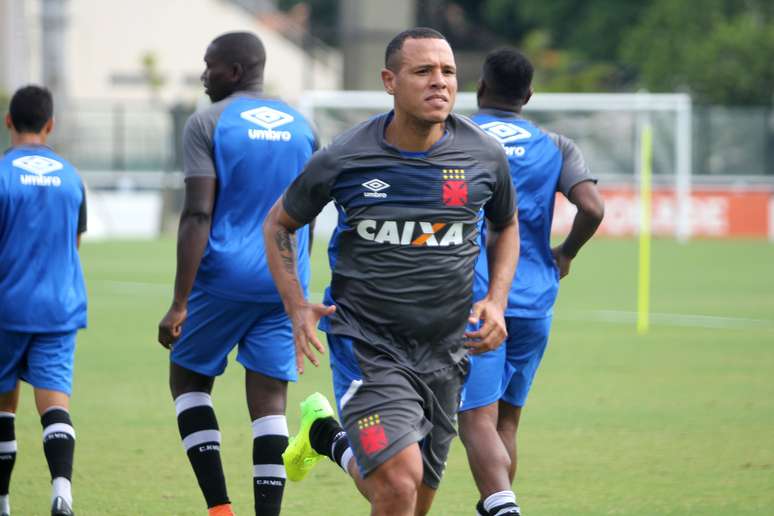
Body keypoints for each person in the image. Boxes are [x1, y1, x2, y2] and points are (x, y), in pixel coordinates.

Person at [263, 28, 520, 516]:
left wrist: (497, 300)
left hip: (445, 353)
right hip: (368, 347)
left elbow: (506, 226)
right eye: (423, 71)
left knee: (410, 494)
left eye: (447, 72)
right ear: (389, 80)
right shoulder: (346, 157)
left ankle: (326, 436)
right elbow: (280, 222)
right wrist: (296, 304)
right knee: (399, 484)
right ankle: (340, 435)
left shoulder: (483, 155)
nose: (439, 82)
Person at [156, 32, 317, 516]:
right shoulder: (303, 126)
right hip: (284, 283)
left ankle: (220, 509)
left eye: (208, 66)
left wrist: (180, 302)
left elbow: (198, 215)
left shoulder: (207, 122)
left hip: (223, 278)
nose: (203, 76)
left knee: (187, 382)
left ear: (232, 71)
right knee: (270, 403)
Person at [458, 47, 605, 516]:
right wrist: (566, 254)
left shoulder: (459, 134)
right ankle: (495, 507)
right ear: (529, 95)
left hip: (474, 299)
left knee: (472, 419)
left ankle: (503, 509)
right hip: (535, 299)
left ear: (480, 89)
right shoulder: (556, 145)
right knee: (506, 423)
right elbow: (594, 208)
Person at [0, 85, 87, 516]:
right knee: (54, 405)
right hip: (58, 307)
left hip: (7, 308)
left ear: (8, 122)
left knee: (4, 406)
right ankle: (62, 494)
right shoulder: (71, 176)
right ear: (50, 124)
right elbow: (75, 241)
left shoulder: (1, 173)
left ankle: (3, 502)